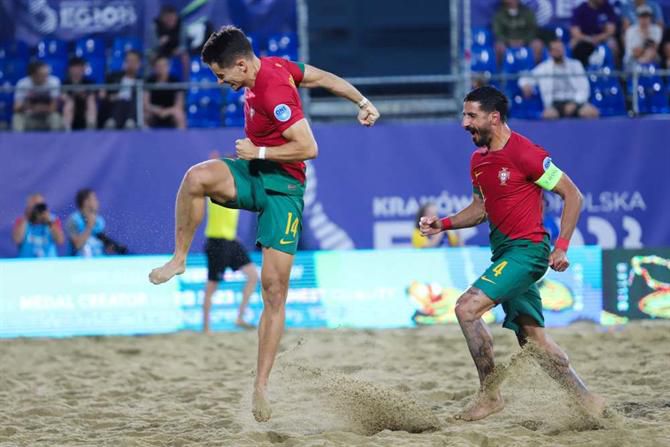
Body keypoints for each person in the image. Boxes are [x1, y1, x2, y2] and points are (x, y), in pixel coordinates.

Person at [148, 25, 380, 422]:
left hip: (283, 190)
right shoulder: (274, 67)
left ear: (240, 65)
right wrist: (361, 100)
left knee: (274, 291)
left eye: (222, 75)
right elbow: (323, 77)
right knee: (195, 178)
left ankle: (261, 387)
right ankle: (180, 257)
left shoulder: (275, 89)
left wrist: (258, 148)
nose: (221, 83)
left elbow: (309, 148)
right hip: (254, 172)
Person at [419, 86, 604, 421]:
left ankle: (490, 396)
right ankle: (589, 402)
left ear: (494, 117)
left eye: (471, 115)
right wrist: (442, 223)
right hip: (504, 255)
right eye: (464, 115)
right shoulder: (478, 160)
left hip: (528, 252)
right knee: (533, 343)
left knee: (466, 309)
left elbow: (573, 195)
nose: (464, 123)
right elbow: (480, 209)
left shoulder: (526, 153)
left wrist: (561, 246)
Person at [202, 151, 259, 333]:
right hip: (216, 242)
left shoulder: (237, 188)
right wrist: (213, 163)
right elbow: (206, 176)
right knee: (212, 285)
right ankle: (206, 328)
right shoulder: (214, 189)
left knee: (253, 276)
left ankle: (240, 317)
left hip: (231, 241)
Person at [518, 39, 599, 119]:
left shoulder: (575, 65)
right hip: (555, 104)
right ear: (550, 52)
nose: (559, 51)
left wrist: (575, 103)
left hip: (575, 101)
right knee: (548, 115)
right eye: (555, 49)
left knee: (591, 113)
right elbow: (525, 78)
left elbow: (584, 88)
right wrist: (525, 85)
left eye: (560, 49)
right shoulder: (544, 68)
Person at [12, 61, 62, 132]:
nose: (46, 77)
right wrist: (30, 107)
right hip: (29, 117)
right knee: (17, 117)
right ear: (33, 75)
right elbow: (16, 108)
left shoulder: (54, 82)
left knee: (55, 117)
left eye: (47, 74)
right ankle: (18, 141)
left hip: (46, 117)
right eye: (42, 75)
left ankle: (56, 141)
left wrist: (37, 108)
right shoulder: (22, 84)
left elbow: (54, 107)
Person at [492, 0, 544, 65]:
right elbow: (497, 33)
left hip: (526, 42)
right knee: (498, 46)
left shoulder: (527, 12)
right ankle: (501, 72)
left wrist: (524, 41)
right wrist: (509, 41)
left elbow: (533, 30)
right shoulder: (499, 14)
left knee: (537, 44)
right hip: (506, 43)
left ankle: (536, 70)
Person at [12, 193, 64, 258]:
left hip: (49, 263)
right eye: (34, 206)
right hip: (27, 263)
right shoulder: (22, 221)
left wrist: (49, 221)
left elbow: (60, 241)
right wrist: (27, 217)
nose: (37, 209)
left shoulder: (53, 220)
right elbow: (17, 240)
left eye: (40, 206)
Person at [100, 50, 141, 129]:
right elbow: (103, 95)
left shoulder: (142, 81)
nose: (131, 64)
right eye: (128, 61)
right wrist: (110, 97)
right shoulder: (113, 78)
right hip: (114, 108)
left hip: (133, 111)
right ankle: (113, 122)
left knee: (129, 101)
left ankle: (130, 122)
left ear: (139, 64)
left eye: (134, 61)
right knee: (121, 101)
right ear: (124, 63)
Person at [570, 0, 619, 68]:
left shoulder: (608, 7)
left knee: (613, 44)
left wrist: (598, 38)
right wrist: (589, 39)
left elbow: (611, 31)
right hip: (585, 38)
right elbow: (575, 32)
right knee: (572, 44)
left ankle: (614, 72)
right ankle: (579, 70)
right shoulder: (580, 9)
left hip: (603, 38)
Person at [144, 55, 186, 129]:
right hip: (154, 111)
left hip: (170, 112)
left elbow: (179, 105)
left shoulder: (175, 81)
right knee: (145, 116)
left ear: (168, 67)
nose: (161, 68)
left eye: (164, 65)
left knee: (179, 115)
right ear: (155, 68)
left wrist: (166, 111)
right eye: (159, 66)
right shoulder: (149, 81)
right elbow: (146, 104)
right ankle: (145, 139)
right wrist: (155, 110)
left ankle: (182, 139)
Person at [66, 188, 106, 257]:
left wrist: (109, 246)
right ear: (86, 202)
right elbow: (77, 245)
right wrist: (89, 226)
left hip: (99, 263)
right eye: (94, 199)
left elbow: (101, 245)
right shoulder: (73, 220)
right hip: (79, 264)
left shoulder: (100, 220)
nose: (97, 202)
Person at [63, 57, 97, 131]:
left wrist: (83, 95)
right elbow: (62, 96)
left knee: (90, 100)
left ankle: (91, 126)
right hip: (70, 107)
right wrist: (73, 95)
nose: (77, 71)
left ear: (83, 69)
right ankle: (67, 128)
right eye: (74, 68)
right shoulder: (65, 83)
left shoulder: (89, 82)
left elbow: (93, 95)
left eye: (79, 68)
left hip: (84, 106)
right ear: (69, 69)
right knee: (69, 102)